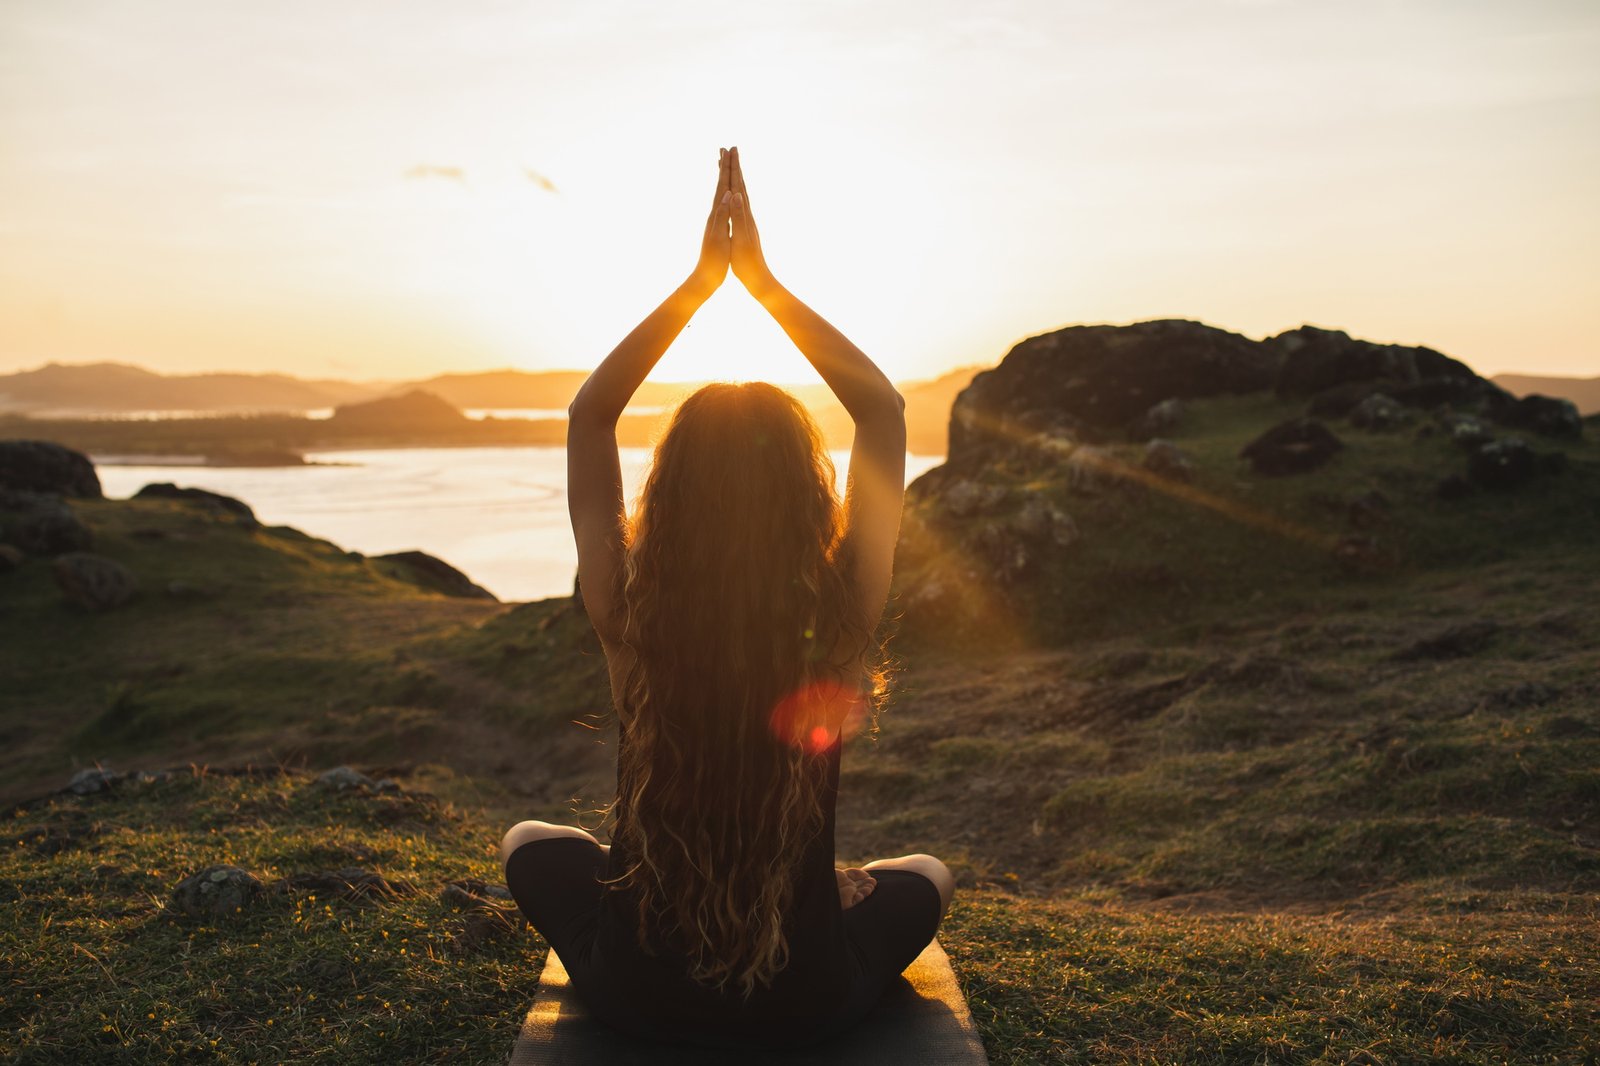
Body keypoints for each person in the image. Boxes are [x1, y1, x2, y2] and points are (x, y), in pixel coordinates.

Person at [500, 146, 955, 1051]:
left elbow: (589, 415)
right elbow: (883, 414)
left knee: (528, 838)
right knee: (927, 872)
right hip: (808, 995)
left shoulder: (632, 620)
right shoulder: (837, 620)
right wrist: (765, 284)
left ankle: (808, 886)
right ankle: (822, 887)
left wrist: (702, 284)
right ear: (804, 495)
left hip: (642, 995)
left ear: (671, 496)